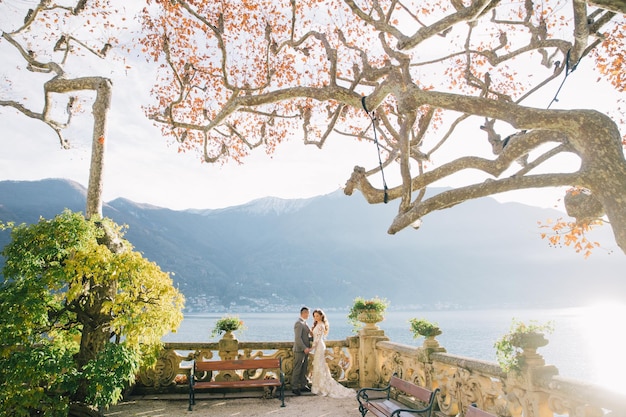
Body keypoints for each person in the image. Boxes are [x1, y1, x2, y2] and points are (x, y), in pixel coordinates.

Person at [310, 309, 354, 398]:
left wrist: (312, 348)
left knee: (320, 366)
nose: (315, 318)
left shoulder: (321, 325)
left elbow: (317, 339)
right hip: (318, 347)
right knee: (319, 366)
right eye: (314, 316)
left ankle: (323, 387)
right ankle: (318, 386)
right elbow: (315, 336)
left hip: (319, 346)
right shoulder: (317, 324)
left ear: (321, 316)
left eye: (317, 316)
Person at [292, 306, 312, 395]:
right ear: (303, 313)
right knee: (297, 369)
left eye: (308, 313)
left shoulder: (304, 323)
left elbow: (306, 337)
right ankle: (294, 387)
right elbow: (298, 338)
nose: (308, 315)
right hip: (299, 350)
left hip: (305, 350)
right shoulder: (298, 323)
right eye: (307, 313)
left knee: (304, 369)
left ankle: (303, 385)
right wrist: (304, 348)